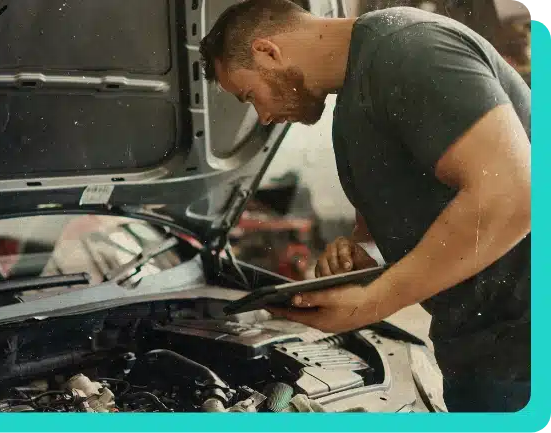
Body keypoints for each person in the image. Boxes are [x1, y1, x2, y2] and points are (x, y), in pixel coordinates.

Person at [199, 0, 531, 412]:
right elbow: (380, 232)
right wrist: (359, 255)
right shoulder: (349, 114)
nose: (263, 117)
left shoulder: (408, 47)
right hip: (476, 346)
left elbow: (514, 196)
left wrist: (374, 301)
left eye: (251, 95)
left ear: (269, 51)